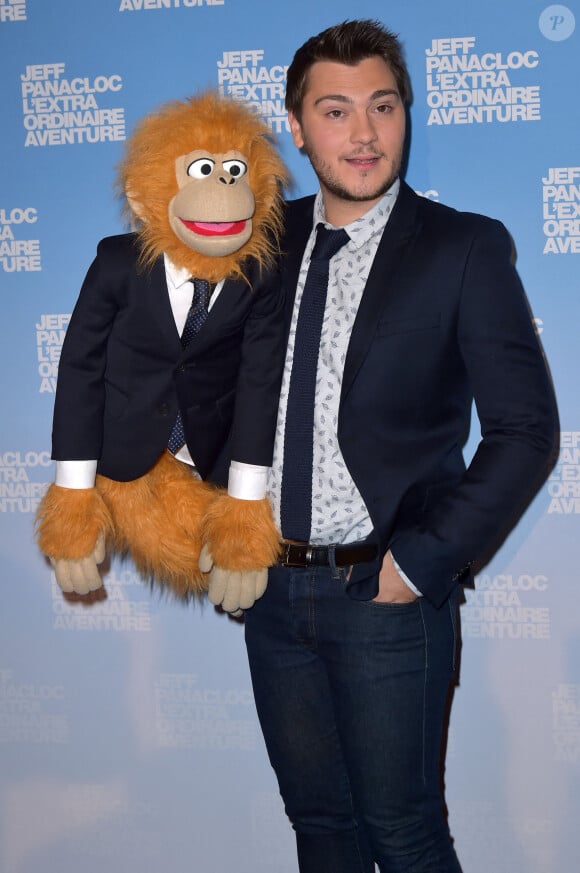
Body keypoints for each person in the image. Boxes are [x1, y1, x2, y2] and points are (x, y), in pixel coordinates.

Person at [237, 19, 558, 873]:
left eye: (383, 106)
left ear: (407, 113)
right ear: (297, 127)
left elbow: (527, 429)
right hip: (270, 590)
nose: (366, 132)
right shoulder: (257, 243)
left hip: (385, 591)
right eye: (336, 111)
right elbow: (207, 392)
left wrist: (418, 564)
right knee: (320, 829)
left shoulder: (463, 247)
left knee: (405, 835)